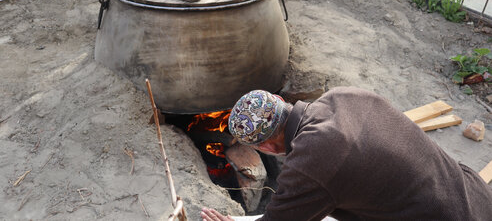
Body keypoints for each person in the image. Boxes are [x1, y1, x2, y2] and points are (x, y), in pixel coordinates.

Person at [200, 87, 492, 221]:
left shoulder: (310, 163)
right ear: (280, 100)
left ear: (264, 147)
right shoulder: (343, 95)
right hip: (475, 196)